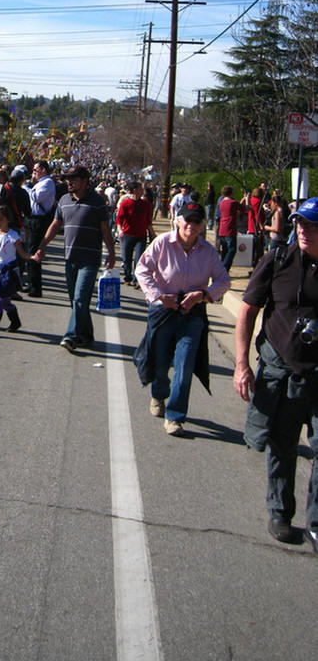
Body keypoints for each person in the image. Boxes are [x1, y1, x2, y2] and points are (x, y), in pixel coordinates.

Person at [233, 197, 318, 549]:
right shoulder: (279, 259)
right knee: (282, 445)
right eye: (299, 224)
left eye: (311, 226)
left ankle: (315, 523)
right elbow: (248, 311)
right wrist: (242, 365)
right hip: (281, 370)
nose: (302, 230)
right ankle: (280, 512)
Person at [134, 202, 230, 437]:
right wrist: (157, 296)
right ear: (178, 221)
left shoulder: (208, 252)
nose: (192, 225)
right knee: (160, 361)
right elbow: (142, 269)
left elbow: (223, 280)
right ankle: (158, 394)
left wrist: (203, 295)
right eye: (188, 220)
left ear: (202, 226)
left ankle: (175, 416)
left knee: (185, 363)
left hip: (192, 314)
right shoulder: (162, 243)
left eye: (197, 222)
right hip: (163, 310)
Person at [32, 164, 115, 353]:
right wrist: (42, 246)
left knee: (79, 298)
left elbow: (105, 229)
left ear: (85, 182)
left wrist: (111, 253)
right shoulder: (63, 200)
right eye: (67, 179)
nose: (69, 182)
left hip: (90, 260)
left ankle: (71, 336)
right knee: (76, 301)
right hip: (70, 259)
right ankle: (86, 335)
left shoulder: (97, 201)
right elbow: (55, 224)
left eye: (73, 179)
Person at [0, 204, 30, 337]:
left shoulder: (13, 236)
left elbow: (22, 253)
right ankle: (15, 322)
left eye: (1, 219)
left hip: (8, 270)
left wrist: (32, 257)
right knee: (5, 299)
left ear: (8, 219)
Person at [25, 159, 56, 297]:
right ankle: (31, 283)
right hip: (32, 219)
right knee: (30, 251)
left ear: (43, 170)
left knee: (35, 252)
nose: (34, 173)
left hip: (40, 220)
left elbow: (36, 197)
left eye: (36, 170)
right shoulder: (40, 183)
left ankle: (36, 288)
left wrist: (26, 187)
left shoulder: (47, 183)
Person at [115, 180, 154, 287]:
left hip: (141, 235)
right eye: (141, 188)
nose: (143, 191)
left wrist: (153, 234)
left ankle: (136, 279)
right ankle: (127, 276)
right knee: (126, 258)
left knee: (139, 258)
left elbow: (148, 221)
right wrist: (120, 230)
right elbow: (119, 219)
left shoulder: (145, 204)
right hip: (127, 235)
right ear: (136, 190)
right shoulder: (125, 203)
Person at [217, 185, 240, 271]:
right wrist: (246, 199)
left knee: (224, 250)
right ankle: (224, 268)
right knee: (232, 249)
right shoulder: (233, 202)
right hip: (230, 228)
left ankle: (222, 268)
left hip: (222, 228)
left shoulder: (221, 202)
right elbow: (243, 209)